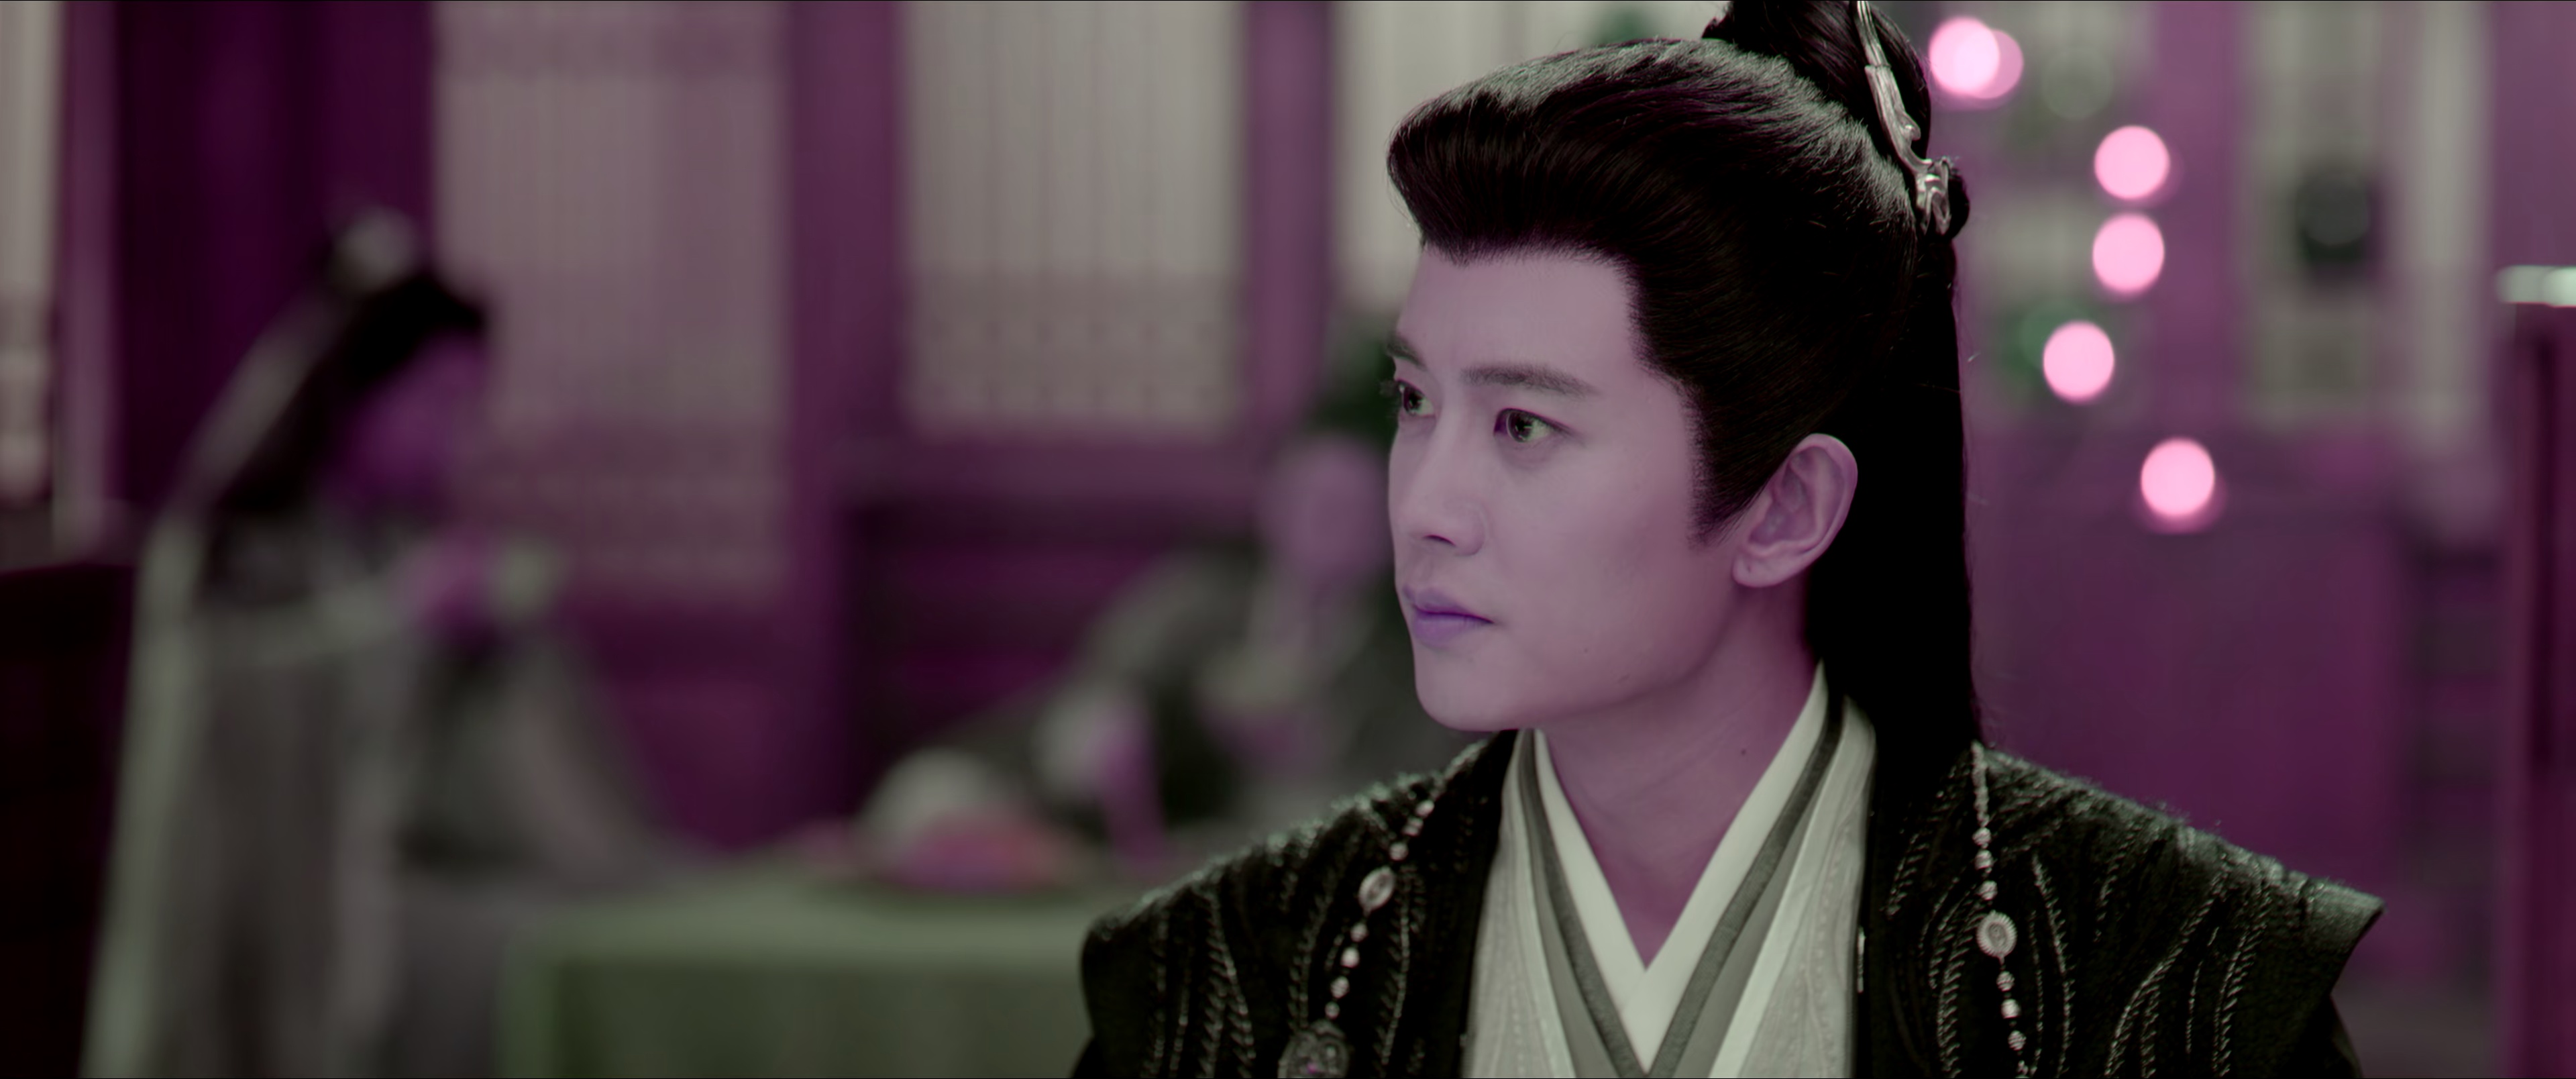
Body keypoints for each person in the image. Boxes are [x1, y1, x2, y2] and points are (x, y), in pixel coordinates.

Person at [1071, 3, 2378, 1076]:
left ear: (1786, 507)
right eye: (1415, 402)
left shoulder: (2166, 982)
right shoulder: (1233, 972)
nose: (1423, 504)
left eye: (1523, 424)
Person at [83, 212, 680, 1078]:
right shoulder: (236, 543)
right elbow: (231, 704)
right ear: (356, 394)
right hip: (290, 897)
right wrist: (401, 622)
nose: (458, 435)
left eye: (471, 406)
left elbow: (470, 779)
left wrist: (490, 640)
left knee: (582, 928)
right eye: (437, 401)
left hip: (414, 868)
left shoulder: (399, 536)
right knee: (516, 960)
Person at [853, 368, 1471, 892]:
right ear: (1271, 504)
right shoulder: (1199, 601)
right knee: (930, 798)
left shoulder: (1411, 651)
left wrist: (1301, 762)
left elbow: (1408, 814)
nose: (1322, 526)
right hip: (1112, 848)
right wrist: (1110, 723)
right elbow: (1106, 687)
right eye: (1307, 500)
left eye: (1349, 508)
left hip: (1274, 879)